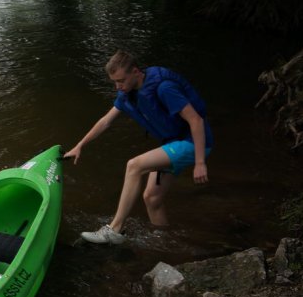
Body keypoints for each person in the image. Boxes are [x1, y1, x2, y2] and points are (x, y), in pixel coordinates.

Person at [66, 49, 213, 245]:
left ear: (135, 72)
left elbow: (195, 120)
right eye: (115, 82)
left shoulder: (164, 88)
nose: (118, 86)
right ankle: (164, 242)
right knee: (152, 198)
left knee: (134, 165)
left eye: (121, 80)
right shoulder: (129, 93)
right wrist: (80, 145)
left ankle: (114, 229)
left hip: (193, 143)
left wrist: (200, 162)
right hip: (173, 142)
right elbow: (105, 121)